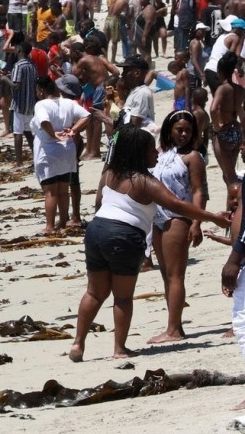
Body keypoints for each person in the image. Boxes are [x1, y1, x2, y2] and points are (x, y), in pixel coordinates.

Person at [69, 126, 228, 362]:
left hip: (96, 230)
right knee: (122, 297)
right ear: (139, 153)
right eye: (150, 149)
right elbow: (178, 205)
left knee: (94, 292)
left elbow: (99, 203)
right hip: (124, 235)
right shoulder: (145, 181)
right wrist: (213, 217)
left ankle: (78, 343)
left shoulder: (110, 174)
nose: (156, 153)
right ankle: (119, 349)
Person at [149, 110, 208, 344]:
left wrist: (196, 222)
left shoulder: (193, 157)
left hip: (178, 217)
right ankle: (174, 324)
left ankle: (174, 329)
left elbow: (199, 191)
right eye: (179, 130)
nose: (183, 134)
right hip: (157, 217)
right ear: (169, 130)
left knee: (175, 275)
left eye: (188, 130)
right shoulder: (163, 153)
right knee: (165, 274)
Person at [31, 76, 90, 236]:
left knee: (50, 192)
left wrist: (53, 135)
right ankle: (62, 223)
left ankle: (50, 226)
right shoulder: (68, 103)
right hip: (67, 150)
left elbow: (44, 121)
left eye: (37, 90)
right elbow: (86, 116)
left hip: (48, 151)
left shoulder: (41, 104)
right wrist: (73, 130)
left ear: (42, 90)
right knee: (63, 190)